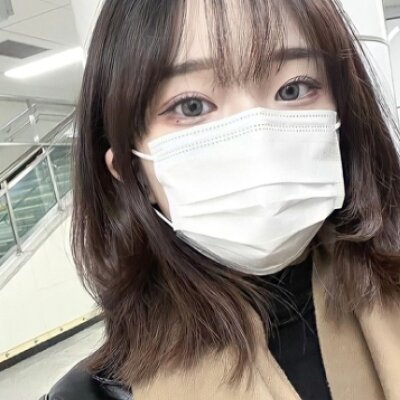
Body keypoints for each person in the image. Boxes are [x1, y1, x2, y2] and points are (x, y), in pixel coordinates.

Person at [40, 0, 400, 399]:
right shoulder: (94, 395)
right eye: (191, 106)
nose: (259, 147)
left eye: (293, 89)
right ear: (132, 168)